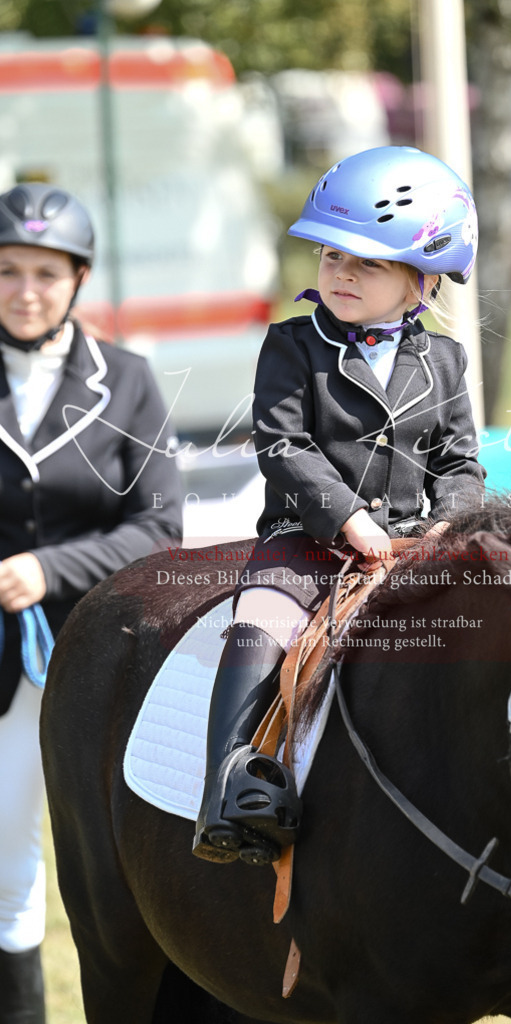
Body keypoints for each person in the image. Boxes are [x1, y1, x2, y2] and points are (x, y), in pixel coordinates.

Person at [193, 145, 485, 868]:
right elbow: (282, 445)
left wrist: (450, 522)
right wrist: (347, 516)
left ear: (421, 281)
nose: (342, 274)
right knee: (258, 625)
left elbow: (460, 462)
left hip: (417, 545)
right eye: (331, 257)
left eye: (368, 264)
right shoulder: (292, 346)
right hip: (308, 542)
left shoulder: (444, 360)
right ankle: (227, 785)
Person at [0, 182, 183, 1023]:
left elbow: (160, 527)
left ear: (78, 278)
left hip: (105, 661)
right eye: (7, 271)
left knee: (140, 863)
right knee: (8, 867)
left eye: (44, 272)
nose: (25, 290)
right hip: (4, 672)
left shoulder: (131, 382)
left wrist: (48, 568)